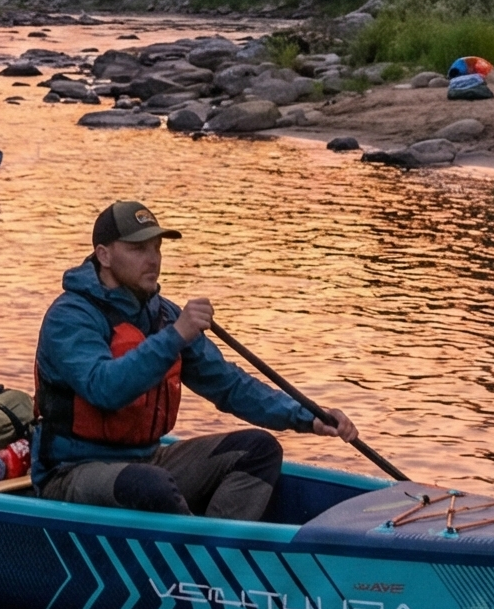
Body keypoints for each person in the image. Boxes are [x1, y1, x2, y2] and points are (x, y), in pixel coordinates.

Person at [32, 199, 366, 521]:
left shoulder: (163, 315)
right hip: (72, 472)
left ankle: (220, 552)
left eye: (157, 248)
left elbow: (229, 385)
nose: (152, 259)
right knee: (150, 486)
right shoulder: (71, 317)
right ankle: (200, 556)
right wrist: (176, 335)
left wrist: (307, 417)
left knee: (260, 450)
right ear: (104, 255)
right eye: (138, 249)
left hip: (148, 458)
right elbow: (105, 388)